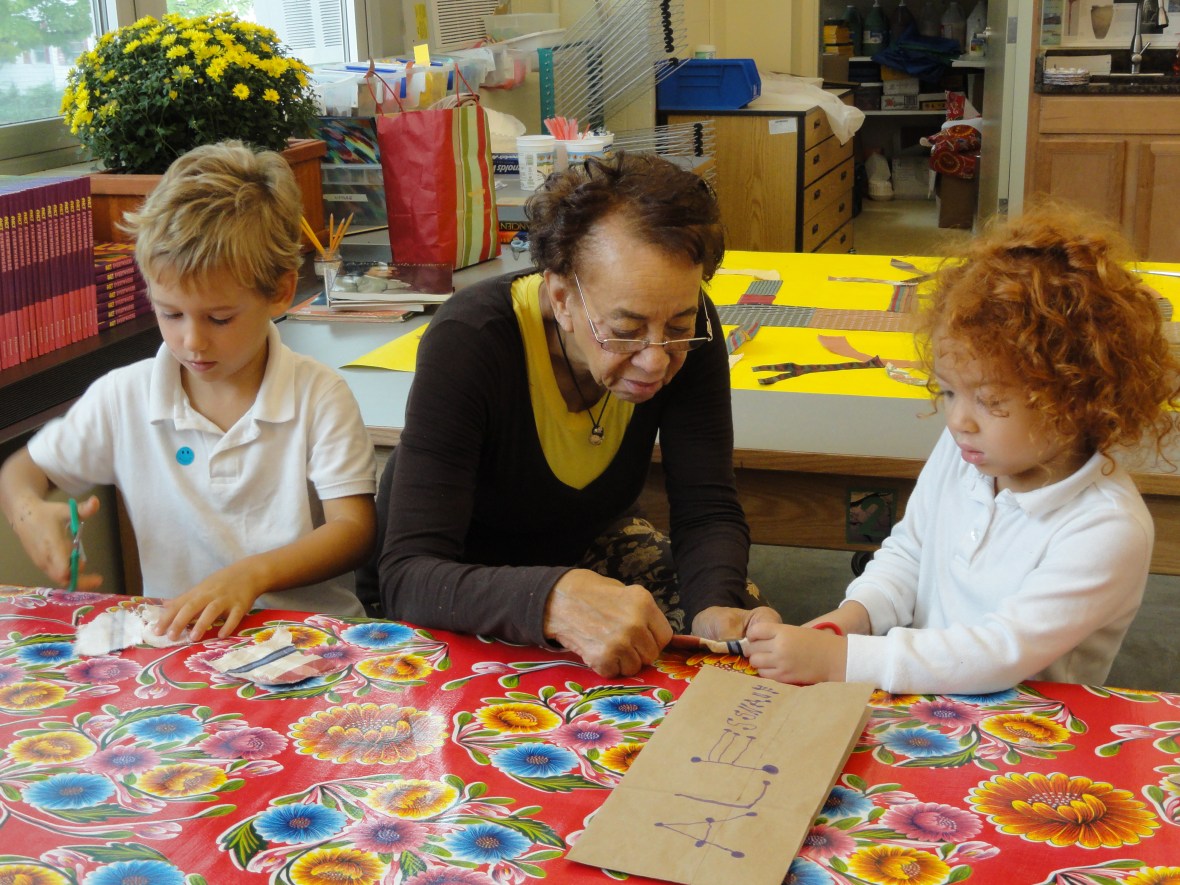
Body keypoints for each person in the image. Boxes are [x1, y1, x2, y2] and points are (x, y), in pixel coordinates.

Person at [745, 205, 1180, 695]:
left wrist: (843, 659)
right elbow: (910, 551)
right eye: (949, 392)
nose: (958, 421)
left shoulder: (1107, 528)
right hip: (929, 698)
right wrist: (853, 617)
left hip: (1022, 726)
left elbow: (997, 653)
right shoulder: (969, 452)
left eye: (991, 401)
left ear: (1076, 401)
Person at [375, 152, 779, 677]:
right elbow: (407, 577)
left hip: (581, 551)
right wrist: (552, 600)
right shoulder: (472, 341)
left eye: (679, 326)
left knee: (737, 640)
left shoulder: (687, 330)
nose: (656, 359)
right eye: (626, 330)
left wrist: (716, 605)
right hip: (457, 585)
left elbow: (706, 507)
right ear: (562, 297)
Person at [0, 140, 377, 641]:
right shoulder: (124, 397)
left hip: (313, 640)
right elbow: (22, 471)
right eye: (170, 313)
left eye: (219, 318)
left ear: (281, 292)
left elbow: (353, 530)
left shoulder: (319, 396)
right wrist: (28, 513)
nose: (192, 341)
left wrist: (252, 575)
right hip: (181, 649)